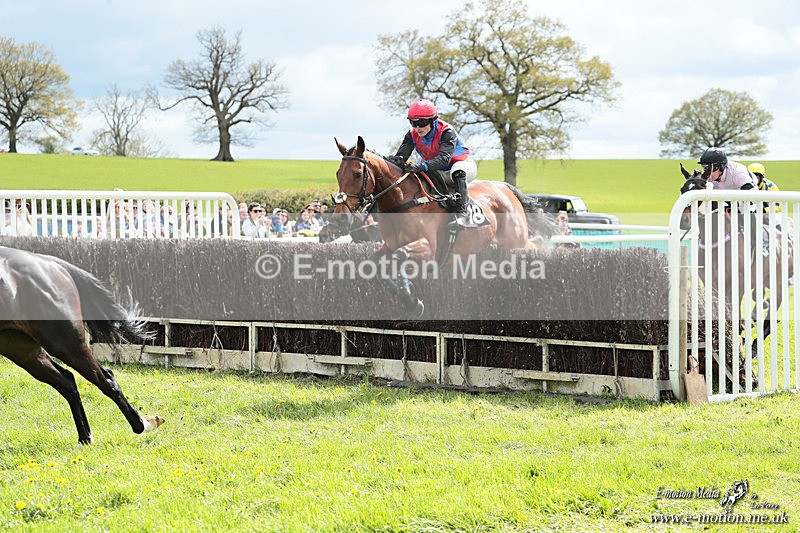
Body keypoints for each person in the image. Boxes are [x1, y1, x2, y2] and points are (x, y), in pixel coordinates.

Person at [393, 98, 482, 229]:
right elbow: (400, 158)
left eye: (422, 122)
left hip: (460, 165)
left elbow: (444, 159)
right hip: (436, 169)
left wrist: (419, 167)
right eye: (413, 123)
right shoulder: (411, 135)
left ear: (432, 120)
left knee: (457, 169)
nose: (417, 127)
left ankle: (463, 214)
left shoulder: (447, 131)